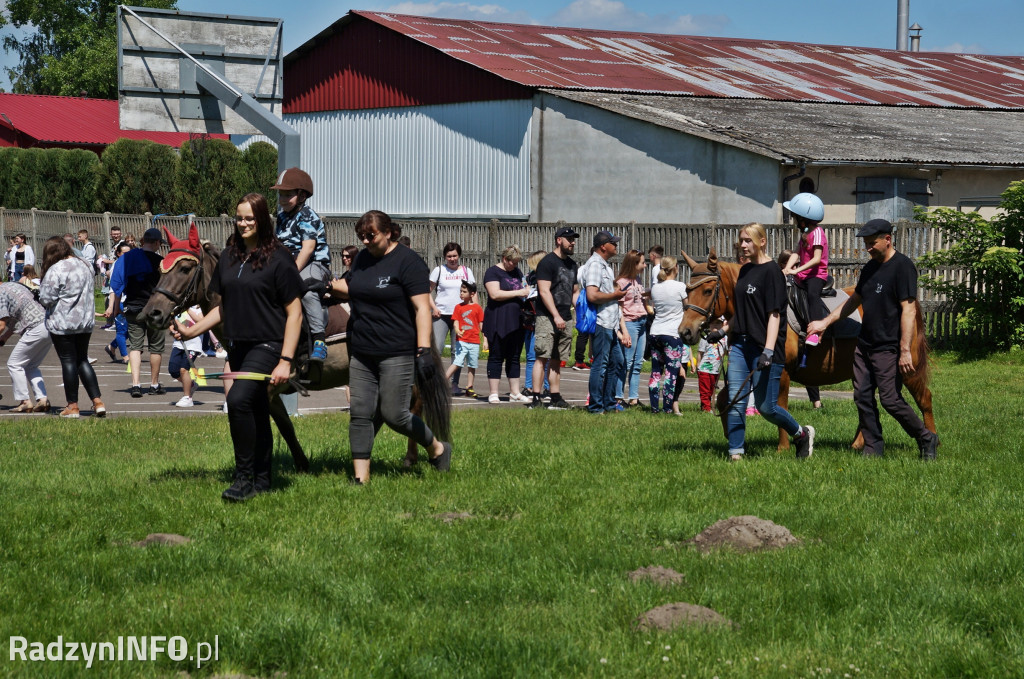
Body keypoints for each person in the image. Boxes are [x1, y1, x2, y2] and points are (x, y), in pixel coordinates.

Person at [172, 193, 304, 500]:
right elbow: (223, 308)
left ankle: (242, 478)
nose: (243, 223)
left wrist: (286, 360)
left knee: (240, 401)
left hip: (269, 344)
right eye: (239, 217)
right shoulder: (230, 256)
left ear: (262, 220)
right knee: (256, 410)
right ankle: (262, 478)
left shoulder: (279, 258)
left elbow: (294, 312)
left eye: (249, 218)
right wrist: (189, 329)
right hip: (239, 345)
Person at [324, 209, 452, 484]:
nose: (366, 241)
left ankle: (437, 448)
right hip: (361, 350)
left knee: (394, 414)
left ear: (389, 232)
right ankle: (361, 479)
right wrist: (327, 287)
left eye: (371, 236)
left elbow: (420, 309)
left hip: (396, 350)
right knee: (360, 413)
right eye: (362, 237)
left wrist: (423, 350)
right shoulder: (362, 262)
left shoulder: (408, 262)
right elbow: (353, 288)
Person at [808, 218, 939, 459]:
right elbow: (853, 301)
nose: (867, 248)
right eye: (866, 243)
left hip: (888, 347)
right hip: (865, 344)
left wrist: (905, 350)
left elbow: (908, 309)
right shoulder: (869, 268)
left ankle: (925, 436)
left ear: (887, 240)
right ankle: (873, 447)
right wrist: (824, 322)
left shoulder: (903, 267)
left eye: (872, 243)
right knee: (862, 397)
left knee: (890, 399)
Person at [725, 223, 815, 461]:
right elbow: (742, 312)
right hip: (740, 346)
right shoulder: (744, 272)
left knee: (766, 407)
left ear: (762, 241)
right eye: (741, 241)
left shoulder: (772, 272)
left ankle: (801, 434)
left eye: (748, 241)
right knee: (736, 399)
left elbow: (774, 314)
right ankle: (736, 453)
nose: (742, 245)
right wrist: (724, 329)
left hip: (764, 348)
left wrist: (767, 350)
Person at [37, 236, 104, 418]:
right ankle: (97, 401)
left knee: (68, 361)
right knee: (82, 360)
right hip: (85, 321)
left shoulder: (56, 269)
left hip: (63, 322)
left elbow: (46, 298)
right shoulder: (85, 265)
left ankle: (72, 406)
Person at [271, 167, 331, 363]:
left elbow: (308, 248)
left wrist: (291, 273)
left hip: (314, 263)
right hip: (288, 263)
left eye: (288, 195)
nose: (282, 199)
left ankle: (319, 341)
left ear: (302, 195)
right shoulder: (280, 217)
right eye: (281, 194)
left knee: (305, 289)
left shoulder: (307, 215)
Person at [108, 228, 167, 397]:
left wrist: (117, 306)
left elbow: (117, 284)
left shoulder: (127, 259)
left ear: (143, 241)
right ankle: (154, 384)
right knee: (155, 348)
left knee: (135, 346)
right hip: (156, 309)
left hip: (133, 307)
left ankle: (135, 384)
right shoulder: (161, 262)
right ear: (156, 242)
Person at [530, 226, 579, 410]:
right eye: (569, 239)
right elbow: (543, 291)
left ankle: (555, 396)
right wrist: (556, 315)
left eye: (574, 239)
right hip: (547, 317)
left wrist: (579, 312)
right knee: (542, 356)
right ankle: (536, 397)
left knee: (558, 359)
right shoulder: (547, 263)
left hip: (566, 317)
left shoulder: (573, 265)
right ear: (559, 240)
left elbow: (574, 291)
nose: (572, 242)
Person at [579, 231, 627, 414]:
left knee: (617, 361)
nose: (616, 246)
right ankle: (596, 406)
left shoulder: (605, 265)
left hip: (611, 323)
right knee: (601, 364)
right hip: (601, 322)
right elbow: (592, 295)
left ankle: (608, 403)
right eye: (613, 243)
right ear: (603, 246)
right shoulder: (595, 265)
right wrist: (614, 295)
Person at [482, 245, 531, 404]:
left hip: (516, 321)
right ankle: (493, 392)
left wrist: (528, 292)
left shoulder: (517, 272)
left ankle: (515, 392)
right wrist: (519, 293)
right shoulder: (492, 272)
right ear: (505, 259)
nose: (515, 266)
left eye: (517, 263)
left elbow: (525, 287)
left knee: (514, 356)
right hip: (498, 319)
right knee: (496, 355)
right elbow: (494, 294)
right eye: (513, 263)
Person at [782, 192, 828, 348]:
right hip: (803, 274)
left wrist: (796, 270)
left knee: (812, 295)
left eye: (795, 216)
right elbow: (796, 253)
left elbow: (816, 259)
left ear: (803, 218)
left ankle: (815, 331)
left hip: (816, 275)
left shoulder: (817, 233)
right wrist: (787, 268)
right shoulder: (805, 234)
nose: (794, 219)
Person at [429, 242, 475, 388]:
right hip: (441, 315)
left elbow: (473, 294)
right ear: (444, 257)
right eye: (449, 256)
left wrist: (475, 312)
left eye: (455, 255)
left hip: (461, 316)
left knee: (458, 350)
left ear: (459, 256)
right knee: (437, 347)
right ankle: (434, 381)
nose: (452, 259)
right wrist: (434, 308)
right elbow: (426, 291)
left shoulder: (466, 271)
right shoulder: (439, 270)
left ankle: (454, 383)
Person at [0, 280, 50, 412]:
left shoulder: (0, 293)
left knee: (14, 364)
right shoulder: (14, 285)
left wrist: (2, 334)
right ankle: (42, 400)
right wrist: (4, 338)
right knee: (31, 366)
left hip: (34, 327)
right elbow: (15, 319)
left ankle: (25, 401)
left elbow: (1, 325)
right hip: (48, 325)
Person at [648, 256, 688, 414]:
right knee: (671, 374)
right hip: (672, 334)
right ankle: (667, 408)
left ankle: (653, 407)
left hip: (655, 332)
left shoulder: (656, 287)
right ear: (676, 267)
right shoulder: (680, 286)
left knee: (656, 372)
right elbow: (688, 307)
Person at [615, 249, 648, 407]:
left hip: (642, 322)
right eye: (642, 262)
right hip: (630, 323)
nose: (645, 265)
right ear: (634, 264)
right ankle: (618, 397)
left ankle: (634, 398)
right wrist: (624, 331)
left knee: (638, 363)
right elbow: (619, 309)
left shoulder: (638, 280)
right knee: (626, 362)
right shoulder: (621, 282)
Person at [445, 281, 485, 397]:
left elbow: (481, 325)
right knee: (457, 362)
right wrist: (457, 330)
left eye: (464, 292)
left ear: (472, 294)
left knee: (472, 365)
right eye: (460, 292)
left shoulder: (477, 308)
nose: (461, 294)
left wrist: (485, 340)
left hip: (474, 342)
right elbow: (456, 321)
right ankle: (442, 382)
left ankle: (469, 387)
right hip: (462, 341)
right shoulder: (458, 307)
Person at [521, 249, 550, 400]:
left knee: (546, 355)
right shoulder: (528, 277)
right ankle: (529, 385)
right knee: (532, 355)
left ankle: (547, 386)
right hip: (530, 320)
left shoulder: (550, 278)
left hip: (544, 320)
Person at [169, 306, 205, 408]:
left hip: (194, 345)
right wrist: (173, 332)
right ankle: (191, 384)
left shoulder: (199, 309)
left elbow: (201, 321)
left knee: (183, 369)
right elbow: (172, 323)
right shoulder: (178, 308)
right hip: (179, 344)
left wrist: (188, 310)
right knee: (173, 370)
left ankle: (187, 397)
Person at [103, 241, 132, 364]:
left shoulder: (132, 265)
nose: (127, 255)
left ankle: (112, 346)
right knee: (121, 330)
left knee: (131, 331)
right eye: (124, 253)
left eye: (129, 253)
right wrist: (111, 307)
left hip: (131, 301)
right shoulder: (117, 265)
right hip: (119, 301)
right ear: (119, 254)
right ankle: (125, 357)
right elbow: (113, 289)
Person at [697, 317, 728, 413]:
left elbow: (727, 352)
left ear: (723, 325)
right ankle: (706, 408)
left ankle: (710, 406)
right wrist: (698, 365)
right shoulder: (706, 337)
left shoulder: (725, 338)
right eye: (713, 323)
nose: (715, 325)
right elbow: (700, 353)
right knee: (705, 390)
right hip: (704, 369)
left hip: (716, 370)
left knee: (711, 390)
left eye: (718, 323)